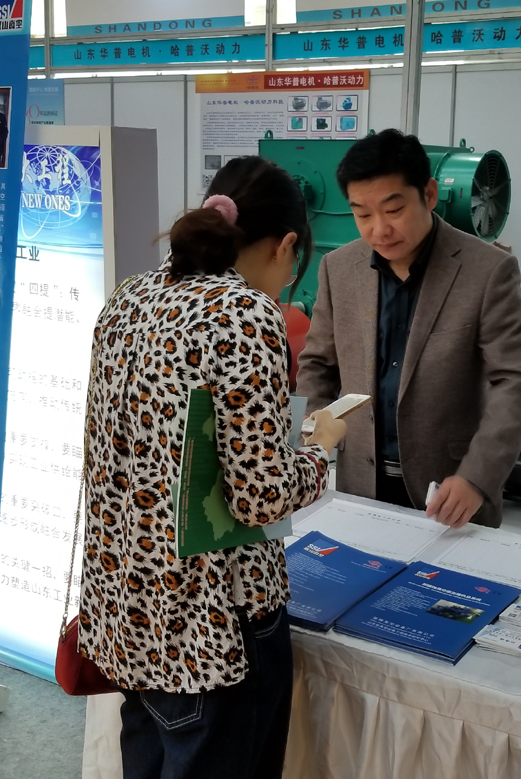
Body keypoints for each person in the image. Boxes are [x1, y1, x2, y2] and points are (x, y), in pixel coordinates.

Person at [79, 156, 347, 779]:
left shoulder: (130, 296)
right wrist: (320, 449)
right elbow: (259, 497)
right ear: (286, 245)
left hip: (128, 609)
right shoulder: (247, 314)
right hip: (212, 624)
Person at [296, 128, 521, 529]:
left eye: (393, 210)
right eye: (362, 215)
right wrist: (312, 447)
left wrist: (477, 476)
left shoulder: (487, 270)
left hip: (451, 493)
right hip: (360, 486)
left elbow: (516, 380)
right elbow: (318, 366)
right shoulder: (337, 268)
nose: (379, 230)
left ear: (428, 194)